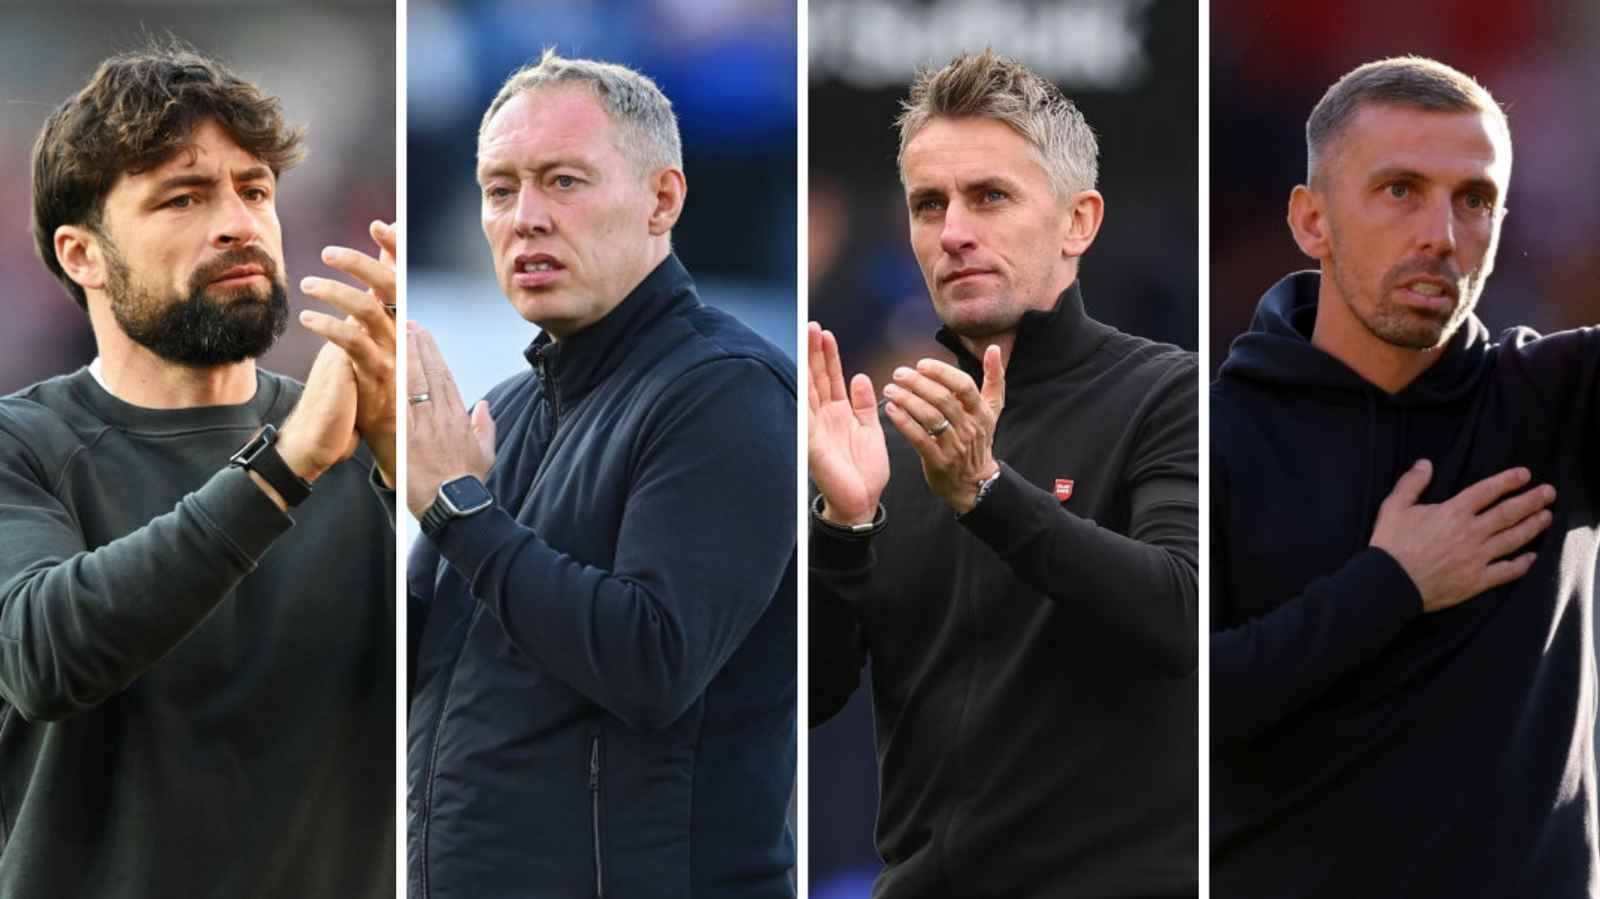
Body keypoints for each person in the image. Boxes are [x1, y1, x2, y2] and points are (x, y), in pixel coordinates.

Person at [0, 44, 397, 897]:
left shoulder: (373, 443)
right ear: (82, 255)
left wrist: (420, 485)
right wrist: (286, 466)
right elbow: (45, 654)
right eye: (183, 197)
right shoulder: (20, 446)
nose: (239, 222)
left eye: (254, 190)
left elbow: (486, 693)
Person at [405, 50, 797, 898]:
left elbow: (652, 659)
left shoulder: (728, 390)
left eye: (564, 181)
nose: (526, 218)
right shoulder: (502, 412)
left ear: (663, 200)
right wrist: (343, 478)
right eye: (500, 189)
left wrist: (456, 510)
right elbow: (410, 674)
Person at [808, 49, 1199, 897]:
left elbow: (1181, 613)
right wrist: (840, 529)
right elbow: (808, 697)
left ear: (1078, 222)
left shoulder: (1172, 393)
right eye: (928, 204)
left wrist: (987, 494)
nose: (953, 231)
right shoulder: (888, 431)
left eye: (990, 196)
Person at [1209, 56, 1597, 895]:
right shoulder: (1206, 438)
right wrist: (1391, 583)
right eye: (1399, 190)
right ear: (1312, 221)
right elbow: (1164, 713)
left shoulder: (1564, 404)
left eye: (1475, 199)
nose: (1442, 235)